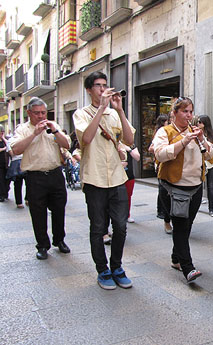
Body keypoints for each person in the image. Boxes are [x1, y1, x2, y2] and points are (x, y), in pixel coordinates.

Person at [73, 71, 135, 290]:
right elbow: (86, 139)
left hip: (117, 178)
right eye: (98, 86)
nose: (102, 89)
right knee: (98, 228)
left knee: (120, 226)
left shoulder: (114, 114)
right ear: (89, 90)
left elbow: (129, 139)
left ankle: (117, 266)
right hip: (94, 178)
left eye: (105, 85)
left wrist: (119, 109)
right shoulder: (81, 114)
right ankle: (103, 270)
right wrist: (101, 108)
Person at [153, 97, 213, 283]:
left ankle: (175, 257)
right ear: (174, 113)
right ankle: (188, 267)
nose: (189, 115)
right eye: (185, 111)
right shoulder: (165, 131)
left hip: (195, 186)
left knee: (187, 225)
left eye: (190, 111)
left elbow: (211, 155)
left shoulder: (196, 132)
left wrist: (202, 139)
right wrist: (183, 140)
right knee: (180, 226)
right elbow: (160, 154)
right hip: (173, 187)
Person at [10, 97, 71, 260]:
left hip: (55, 174)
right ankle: (43, 245)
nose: (41, 116)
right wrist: (34, 133)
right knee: (38, 213)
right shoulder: (23, 129)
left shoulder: (53, 126)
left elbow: (67, 144)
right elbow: (15, 150)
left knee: (59, 210)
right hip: (35, 177)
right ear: (29, 113)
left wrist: (55, 131)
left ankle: (59, 240)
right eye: (36, 113)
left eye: (43, 113)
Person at [148, 114, 172, 234]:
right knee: (164, 191)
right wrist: (165, 149)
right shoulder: (161, 132)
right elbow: (151, 148)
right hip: (162, 165)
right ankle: (165, 217)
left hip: (175, 167)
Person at [197, 115, 213, 217]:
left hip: (210, 164)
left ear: (205, 123)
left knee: (210, 186)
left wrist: (210, 145)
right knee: (198, 186)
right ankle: (196, 206)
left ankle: (211, 209)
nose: (198, 124)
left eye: (200, 122)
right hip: (199, 163)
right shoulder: (196, 134)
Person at [120, 142, 141, 223]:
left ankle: (127, 214)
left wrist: (129, 149)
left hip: (129, 175)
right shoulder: (114, 142)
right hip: (117, 176)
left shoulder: (131, 145)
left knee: (128, 196)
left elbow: (137, 157)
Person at [6, 135, 27, 208]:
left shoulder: (25, 138)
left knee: (29, 182)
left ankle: (27, 199)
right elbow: (12, 153)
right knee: (18, 183)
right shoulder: (10, 140)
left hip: (25, 162)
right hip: (16, 163)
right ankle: (19, 202)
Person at [0, 125, 8, 202]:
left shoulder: (5, 140)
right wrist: (5, 148)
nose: (1, 134)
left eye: (2, 132)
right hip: (0, 165)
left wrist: (3, 138)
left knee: (7, 179)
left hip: (6, 163)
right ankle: (2, 195)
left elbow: (9, 144)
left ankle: (5, 193)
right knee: (1, 180)